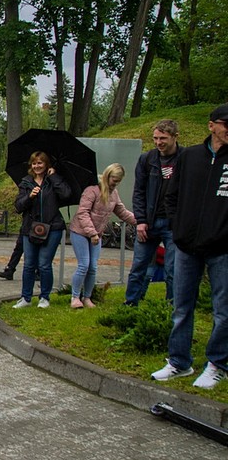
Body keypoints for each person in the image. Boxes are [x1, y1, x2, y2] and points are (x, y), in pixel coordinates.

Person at [150, 104, 228, 389]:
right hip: (186, 244)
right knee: (182, 306)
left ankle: (218, 363)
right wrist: (178, 227)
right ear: (211, 126)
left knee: (223, 310)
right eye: (225, 124)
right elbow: (172, 196)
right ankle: (179, 362)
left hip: (222, 248)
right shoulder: (191, 156)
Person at [125, 119, 181, 306]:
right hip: (149, 221)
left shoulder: (185, 159)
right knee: (138, 266)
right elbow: (139, 191)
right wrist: (140, 220)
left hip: (174, 224)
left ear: (175, 137)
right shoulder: (147, 159)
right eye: (155, 138)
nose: (158, 143)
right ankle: (131, 304)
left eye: (163, 138)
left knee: (173, 269)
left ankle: (171, 309)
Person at [69, 164, 136, 309]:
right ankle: (75, 297)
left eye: (118, 180)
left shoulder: (114, 194)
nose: (115, 182)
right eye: (113, 179)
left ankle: (87, 297)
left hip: (96, 234)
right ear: (107, 176)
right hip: (80, 232)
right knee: (84, 265)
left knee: (93, 267)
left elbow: (122, 212)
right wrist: (92, 233)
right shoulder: (92, 190)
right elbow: (83, 212)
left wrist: (141, 221)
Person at [13, 152, 71, 309]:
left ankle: (44, 297)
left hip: (52, 227)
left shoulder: (53, 180)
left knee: (44, 264)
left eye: (40, 163)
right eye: (34, 163)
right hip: (30, 228)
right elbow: (18, 206)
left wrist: (54, 178)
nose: (37, 166)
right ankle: (25, 297)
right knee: (29, 264)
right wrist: (29, 197)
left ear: (46, 164)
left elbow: (66, 194)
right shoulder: (26, 182)